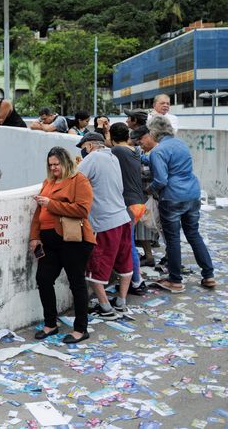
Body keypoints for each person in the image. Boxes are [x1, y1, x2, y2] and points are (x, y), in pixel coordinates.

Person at [30, 147, 95, 344]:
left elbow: (82, 210)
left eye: (57, 164)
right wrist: (34, 236)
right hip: (50, 242)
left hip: (73, 241)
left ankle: (80, 329)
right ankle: (50, 324)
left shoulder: (79, 180)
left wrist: (51, 204)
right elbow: (37, 213)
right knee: (43, 279)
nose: (54, 168)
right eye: (51, 165)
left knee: (76, 283)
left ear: (66, 163)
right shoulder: (48, 182)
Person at [146, 116, 215, 291]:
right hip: (192, 193)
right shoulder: (181, 144)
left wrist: (149, 189)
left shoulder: (158, 151)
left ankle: (175, 280)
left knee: (173, 239)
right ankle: (208, 275)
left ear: (154, 132)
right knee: (193, 234)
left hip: (172, 196)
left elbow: (160, 180)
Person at [77, 132, 134, 319]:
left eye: (83, 147)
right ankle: (121, 302)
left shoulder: (92, 158)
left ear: (90, 145)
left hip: (104, 222)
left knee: (95, 267)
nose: (83, 151)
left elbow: (74, 181)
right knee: (124, 262)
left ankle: (105, 308)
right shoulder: (113, 157)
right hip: (123, 218)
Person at [109, 123, 148, 296]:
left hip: (130, 204)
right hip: (138, 202)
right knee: (128, 243)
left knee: (128, 245)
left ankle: (137, 281)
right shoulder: (134, 151)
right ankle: (134, 278)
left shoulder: (118, 152)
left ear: (112, 137)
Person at [130, 125, 160, 267]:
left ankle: (161, 257)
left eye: (140, 141)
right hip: (145, 195)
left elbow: (156, 175)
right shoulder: (141, 151)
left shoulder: (156, 152)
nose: (139, 144)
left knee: (154, 226)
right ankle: (149, 256)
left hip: (152, 195)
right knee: (144, 227)